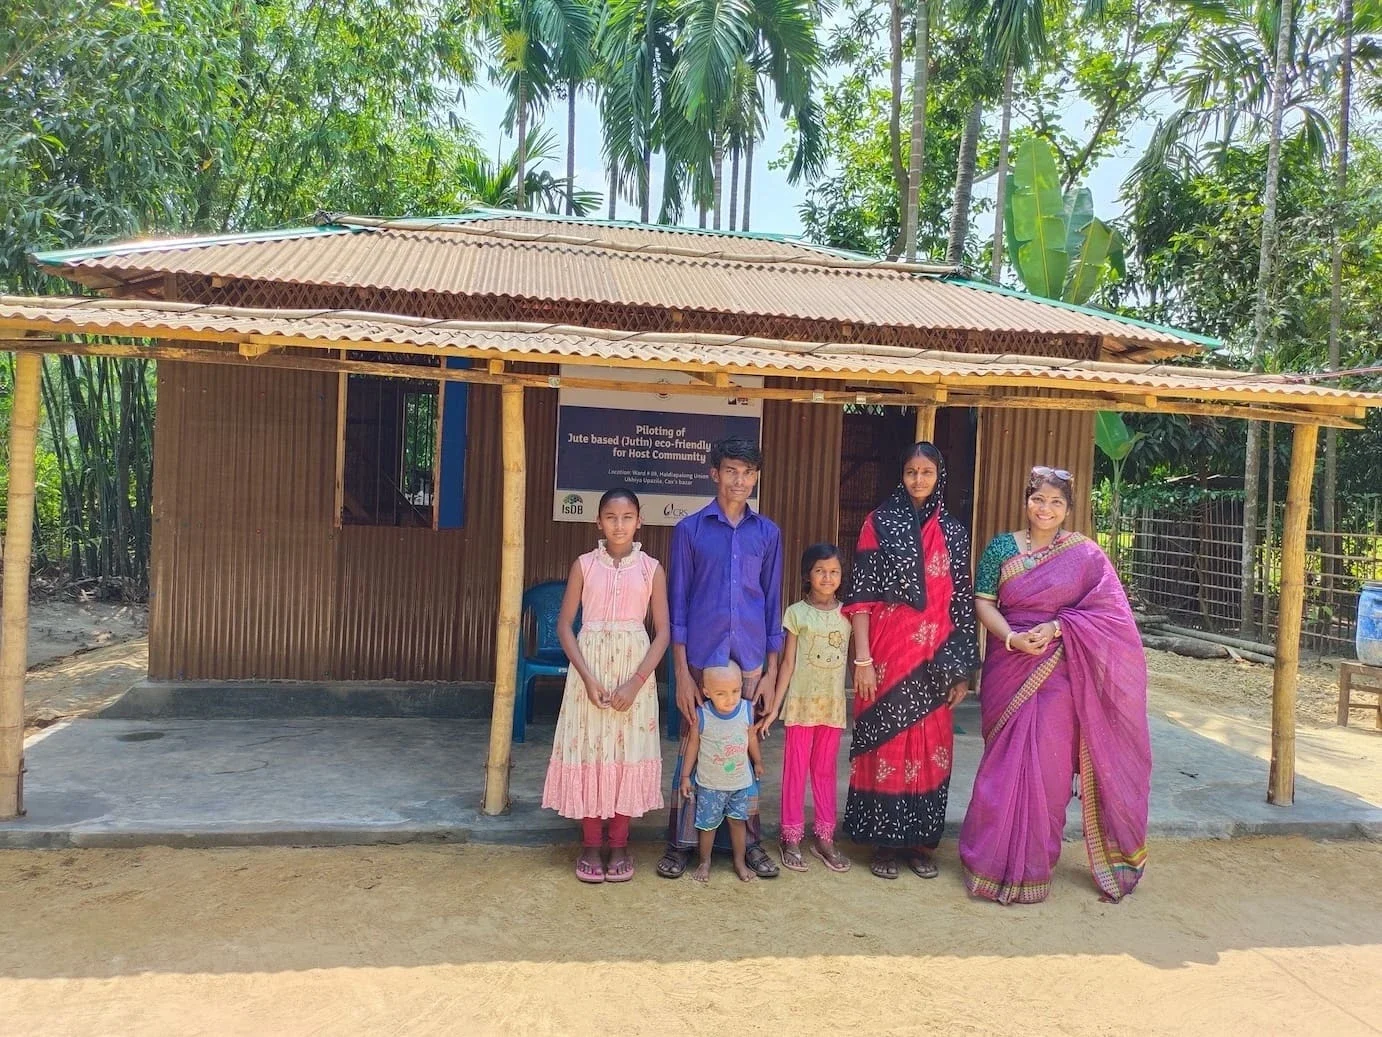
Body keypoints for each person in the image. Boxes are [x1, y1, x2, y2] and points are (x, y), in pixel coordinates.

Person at [959, 466, 1151, 905]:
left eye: (1056, 503)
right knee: (1002, 766)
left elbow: (1112, 615)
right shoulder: (1001, 548)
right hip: (1008, 664)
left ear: (1068, 510)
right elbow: (983, 603)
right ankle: (987, 861)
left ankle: (1033, 866)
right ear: (1026, 501)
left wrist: (1057, 627)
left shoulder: (1083, 554)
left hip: (1059, 670)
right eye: (1038, 500)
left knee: (1047, 769)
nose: (1045, 510)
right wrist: (1010, 637)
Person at [843, 442, 979, 880]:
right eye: (910, 472)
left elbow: (961, 604)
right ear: (900, 476)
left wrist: (962, 671)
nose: (918, 480)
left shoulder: (955, 533)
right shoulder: (878, 523)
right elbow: (861, 597)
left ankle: (919, 844)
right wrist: (862, 660)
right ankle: (883, 843)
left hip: (935, 661)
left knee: (930, 747)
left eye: (926, 472)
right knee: (887, 743)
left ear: (939, 475)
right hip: (887, 655)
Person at [657, 436, 783, 880]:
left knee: (744, 750)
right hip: (700, 659)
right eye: (731, 470)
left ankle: (749, 844)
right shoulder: (689, 531)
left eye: (748, 472)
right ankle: (680, 843)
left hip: (748, 659)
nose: (740, 480)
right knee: (693, 742)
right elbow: (678, 604)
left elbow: (771, 604)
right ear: (714, 473)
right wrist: (681, 674)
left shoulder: (768, 534)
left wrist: (769, 671)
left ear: (756, 478)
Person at [542, 487, 669, 884]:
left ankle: (619, 843)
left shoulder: (652, 568)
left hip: (635, 673)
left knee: (625, 752)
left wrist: (635, 682)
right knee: (591, 752)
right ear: (598, 522)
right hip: (590, 673)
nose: (619, 525)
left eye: (627, 517)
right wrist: (586, 676)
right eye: (611, 517)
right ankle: (591, 844)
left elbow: (663, 632)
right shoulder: (584, 565)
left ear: (639, 521)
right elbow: (565, 625)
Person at [758, 544, 852, 873]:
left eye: (834, 571)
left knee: (825, 772)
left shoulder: (849, 614)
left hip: (831, 707)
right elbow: (787, 664)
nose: (827, 577)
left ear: (842, 576)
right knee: (795, 772)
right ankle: (791, 836)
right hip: (800, 705)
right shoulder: (796, 613)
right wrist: (774, 708)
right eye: (820, 570)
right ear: (807, 575)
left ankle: (825, 837)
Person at [681, 662, 766, 883]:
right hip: (710, 785)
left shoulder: (747, 710)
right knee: (707, 826)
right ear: (706, 692)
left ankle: (739, 860)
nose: (730, 699)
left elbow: (751, 738)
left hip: (739, 784)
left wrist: (757, 761)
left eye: (736, 691)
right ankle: (705, 861)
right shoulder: (702, 715)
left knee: (738, 823)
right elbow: (692, 746)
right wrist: (685, 776)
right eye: (721, 693)